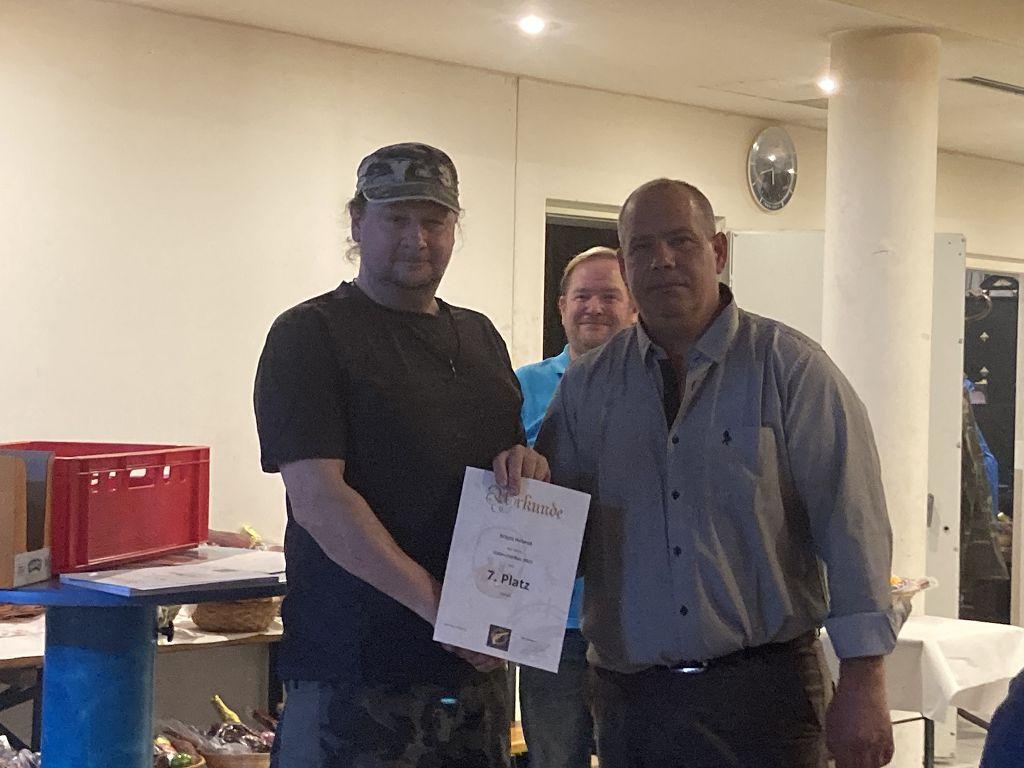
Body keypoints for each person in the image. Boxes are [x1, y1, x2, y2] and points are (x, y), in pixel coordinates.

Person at [536, 178, 902, 768]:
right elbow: (556, 536)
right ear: (626, 266)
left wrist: (864, 680)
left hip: (767, 701)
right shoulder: (586, 388)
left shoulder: (792, 370)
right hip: (634, 706)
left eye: (681, 240)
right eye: (642, 247)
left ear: (719, 250)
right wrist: (518, 489)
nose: (662, 260)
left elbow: (852, 528)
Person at [254, 142, 549, 768]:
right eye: (397, 219)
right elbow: (319, 499)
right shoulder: (309, 334)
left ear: (454, 228)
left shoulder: (480, 336)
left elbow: (504, 467)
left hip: (473, 677)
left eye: (434, 221)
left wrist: (527, 466)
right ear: (358, 222)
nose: (417, 238)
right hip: (352, 677)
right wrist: (440, 607)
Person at [515, 246, 636, 768]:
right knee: (553, 759)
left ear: (634, 307)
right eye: (582, 296)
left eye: (610, 296)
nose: (594, 307)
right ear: (561, 306)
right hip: (549, 621)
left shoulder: (659, 386)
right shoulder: (521, 386)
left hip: (636, 620)